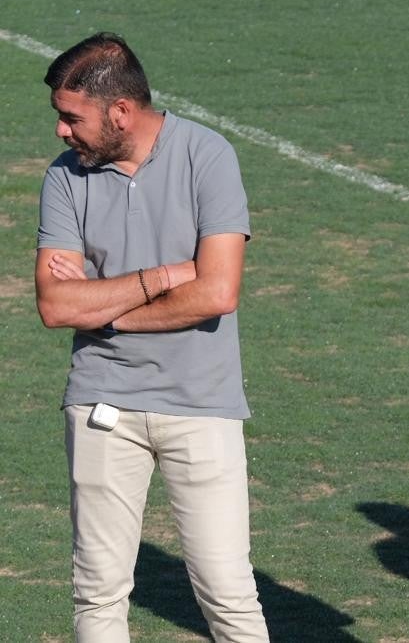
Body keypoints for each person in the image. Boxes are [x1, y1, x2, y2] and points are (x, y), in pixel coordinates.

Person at [35, 33, 268, 642]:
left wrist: (103, 304)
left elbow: (217, 293)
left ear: (120, 112)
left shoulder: (208, 155)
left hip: (202, 404)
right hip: (100, 402)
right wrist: (165, 276)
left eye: (70, 117)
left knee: (226, 590)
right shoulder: (64, 179)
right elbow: (57, 305)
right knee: (98, 592)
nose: (61, 131)